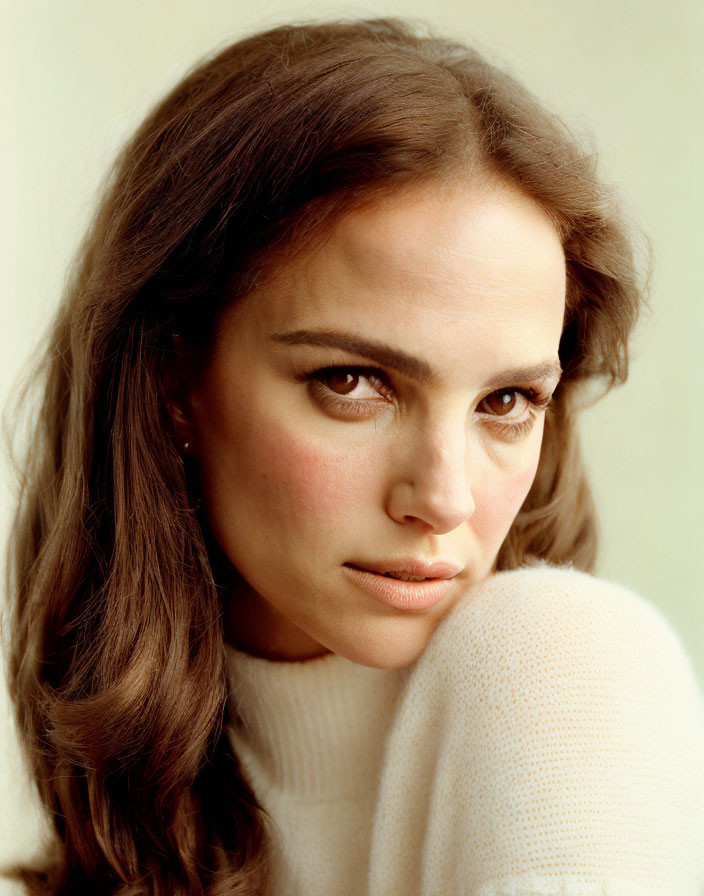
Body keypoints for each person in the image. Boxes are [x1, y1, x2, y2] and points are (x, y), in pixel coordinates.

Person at [2, 17, 703, 896]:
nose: (443, 498)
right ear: (174, 377)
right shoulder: (132, 792)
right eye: (352, 383)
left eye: (507, 402)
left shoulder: (566, 671)